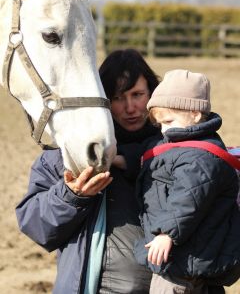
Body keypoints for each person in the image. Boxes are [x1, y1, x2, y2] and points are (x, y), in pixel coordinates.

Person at [15, 49, 161, 294]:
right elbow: (36, 225)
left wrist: (134, 161)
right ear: (101, 99)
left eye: (137, 95)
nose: (130, 107)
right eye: (117, 98)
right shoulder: (66, 154)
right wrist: (71, 196)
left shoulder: (177, 151)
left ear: (153, 94)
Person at [133, 69, 240, 294]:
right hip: (186, 259)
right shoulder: (183, 146)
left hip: (180, 264)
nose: (164, 130)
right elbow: (153, 153)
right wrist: (124, 158)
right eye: (160, 124)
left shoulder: (198, 158)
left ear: (195, 114)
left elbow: (188, 200)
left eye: (169, 121)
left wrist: (167, 234)